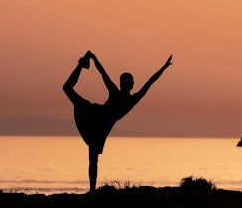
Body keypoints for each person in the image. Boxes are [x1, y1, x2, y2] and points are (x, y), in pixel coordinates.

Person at [63, 50, 172, 192]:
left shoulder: (118, 93)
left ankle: (81, 64)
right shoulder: (132, 100)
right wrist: (163, 68)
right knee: (93, 158)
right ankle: (92, 190)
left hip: (95, 116)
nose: (132, 83)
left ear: (122, 84)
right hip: (99, 121)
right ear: (130, 84)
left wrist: (94, 58)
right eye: (131, 82)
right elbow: (149, 82)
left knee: (67, 88)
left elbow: (103, 73)